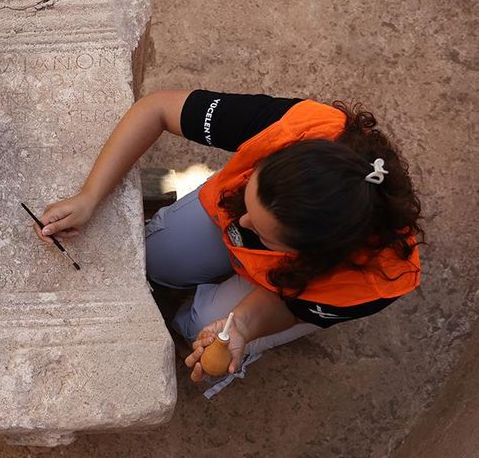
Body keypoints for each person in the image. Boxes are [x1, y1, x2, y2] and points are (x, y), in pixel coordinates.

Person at [34, 90, 422, 388]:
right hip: (291, 248)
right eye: (252, 196)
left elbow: (291, 305)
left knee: (202, 329)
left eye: (264, 233)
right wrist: (89, 196)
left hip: (294, 286)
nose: (243, 222)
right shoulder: (298, 127)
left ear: (313, 252)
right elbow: (156, 109)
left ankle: (202, 320)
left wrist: (241, 329)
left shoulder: (372, 281)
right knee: (155, 258)